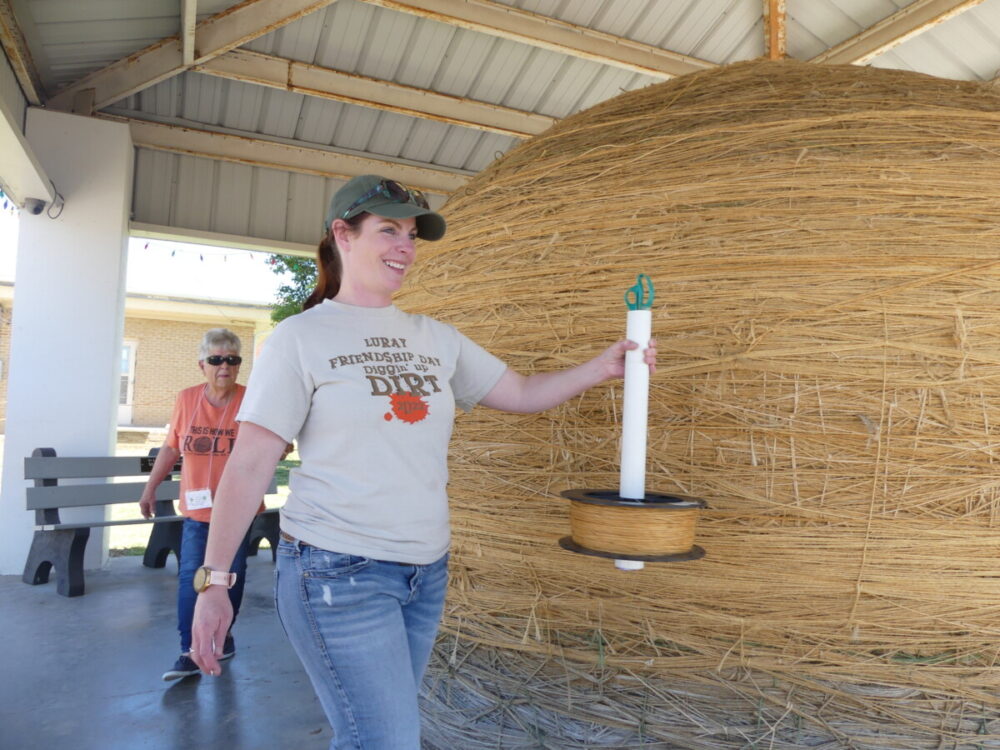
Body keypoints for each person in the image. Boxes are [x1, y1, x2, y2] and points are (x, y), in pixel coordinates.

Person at [190, 175, 657, 747]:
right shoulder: (299, 339)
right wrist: (215, 584)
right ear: (343, 234)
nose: (405, 247)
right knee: (385, 741)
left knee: (373, 737)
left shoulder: (435, 338)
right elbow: (250, 463)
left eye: (411, 234)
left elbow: (522, 393)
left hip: (423, 573)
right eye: (388, 230)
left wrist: (603, 367)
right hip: (337, 572)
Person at [139, 327, 261, 682]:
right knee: (193, 579)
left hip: (236, 511)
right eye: (217, 359)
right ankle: (189, 651)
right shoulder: (187, 399)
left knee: (228, 581)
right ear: (202, 365)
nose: (225, 366)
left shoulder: (251, 401)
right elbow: (171, 447)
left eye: (233, 360)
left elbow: (270, 447)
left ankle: (224, 636)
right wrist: (151, 488)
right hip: (196, 511)